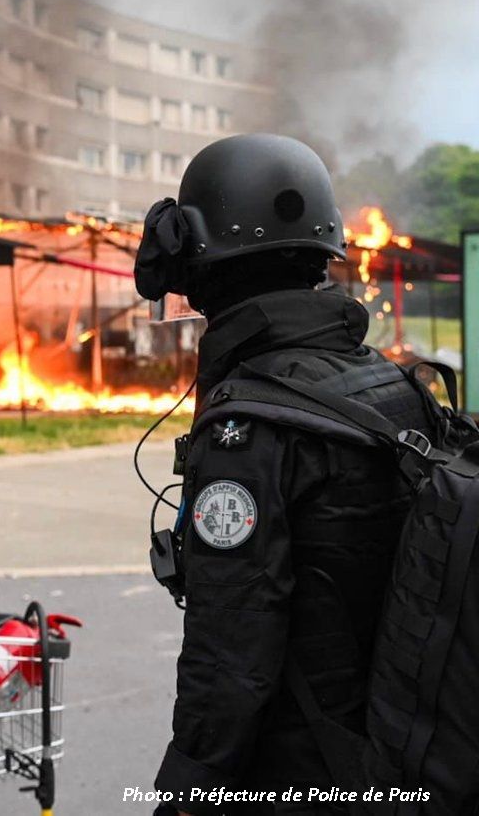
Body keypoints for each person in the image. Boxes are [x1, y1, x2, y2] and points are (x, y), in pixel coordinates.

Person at [134, 134, 448, 815]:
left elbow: (232, 648)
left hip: (300, 775)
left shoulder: (248, 431)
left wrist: (188, 789)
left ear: (202, 261)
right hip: (400, 755)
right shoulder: (397, 385)